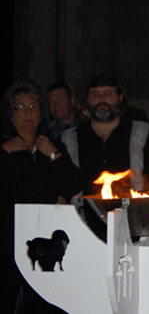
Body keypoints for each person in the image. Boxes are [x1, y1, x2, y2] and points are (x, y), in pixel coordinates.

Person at [0, 82, 80, 314]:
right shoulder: (4, 147)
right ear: (10, 113)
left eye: (34, 106)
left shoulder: (53, 145)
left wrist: (54, 155)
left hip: (44, 240)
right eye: (21, 107)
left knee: (43, 303)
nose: (28, 112)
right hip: (8, 238)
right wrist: (4, 152)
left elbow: (73, 185)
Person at [61, 73, 149, 196]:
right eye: (95, 95)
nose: (101, 99)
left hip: (133, 211)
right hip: (82, 214)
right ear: (87, 100)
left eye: (108, 94)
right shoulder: (68, 139)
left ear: (120, 98)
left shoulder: (145, 133)